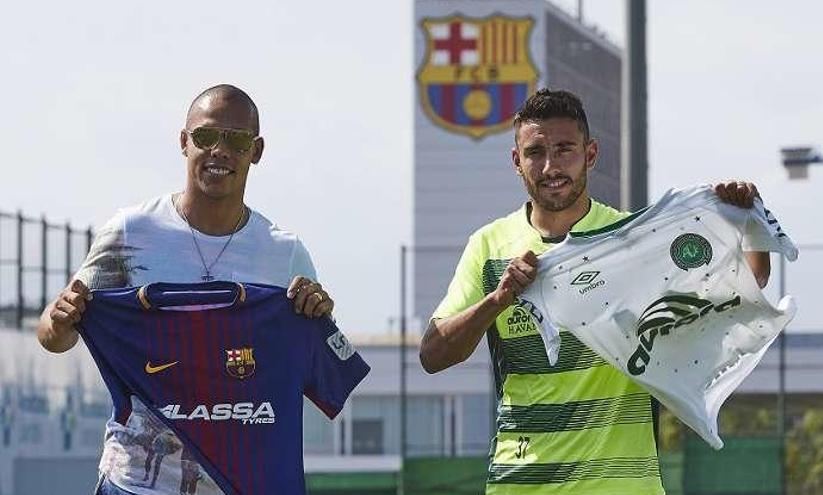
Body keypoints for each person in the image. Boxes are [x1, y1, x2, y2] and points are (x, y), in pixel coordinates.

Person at [419, 88, 770, 494]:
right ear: (517, 162)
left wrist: (749, 222)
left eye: (565, 149)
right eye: (535, 152)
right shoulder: (489, 246)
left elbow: (747, 284)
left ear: (590, 154)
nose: (551, 166)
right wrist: (499, 299)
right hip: (524, 484)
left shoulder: (632, 239)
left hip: (624, 485)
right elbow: (433, 354)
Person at [36, 84, 334, 495]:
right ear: (183, 141)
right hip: (134, 482)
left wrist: (318, 308)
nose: (220, 151)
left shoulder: (283, 253)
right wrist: (60, 318)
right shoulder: (130, 232)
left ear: (257, 150)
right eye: (206, 136)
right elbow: (54, 336)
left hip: (236, 483)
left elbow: (309, 358)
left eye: (237, 140)